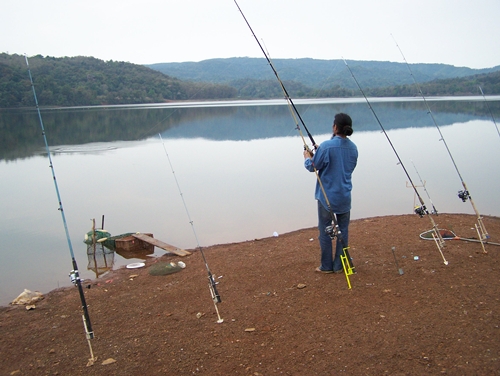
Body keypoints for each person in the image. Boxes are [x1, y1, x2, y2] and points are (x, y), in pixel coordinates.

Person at [303, 113, 358, 274]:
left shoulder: (327, 147)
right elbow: (342, 166)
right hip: (344, 197)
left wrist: (307, 156)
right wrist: (320, 152)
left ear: (335, 127)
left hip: (327, 198)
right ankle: (339, 265)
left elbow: (312, 166)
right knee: (343, 231)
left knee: (325, 231)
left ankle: (326, 266)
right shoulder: (353, 148)